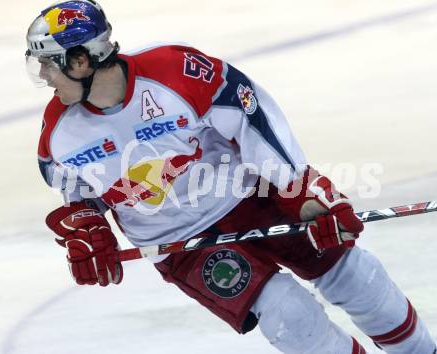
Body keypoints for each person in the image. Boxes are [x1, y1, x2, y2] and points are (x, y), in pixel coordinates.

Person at [26, 1, 435, 353]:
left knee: (357, 278)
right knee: (290, 317)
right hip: (180, 243)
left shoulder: (177, 72)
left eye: (48, 64)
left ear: (80, 61)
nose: (43, 77)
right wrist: (89, 225)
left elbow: (250, 118)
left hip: (250, 198)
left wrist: (301, 191)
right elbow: (76, 189)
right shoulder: (59, 131)